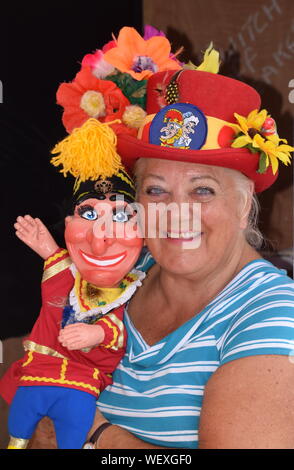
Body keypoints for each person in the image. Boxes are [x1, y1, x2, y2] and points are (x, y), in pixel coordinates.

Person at [82, 67, 294, 449]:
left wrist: (98, 435)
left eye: (202, 191)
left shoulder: (275, 315)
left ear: (244, 205)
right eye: (156, 190)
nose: (176, 213)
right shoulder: (120, 276)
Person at [0, 119, 144, 449]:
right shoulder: (66, 275)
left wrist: (99, 333)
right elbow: (60, 278)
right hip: (40, 374)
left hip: (85, 391)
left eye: (120, 216)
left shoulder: (137, 283)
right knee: (20, 430)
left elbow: (121, 325)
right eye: (89, 214)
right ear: (68, 223)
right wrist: (48, 248)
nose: (101, 236)